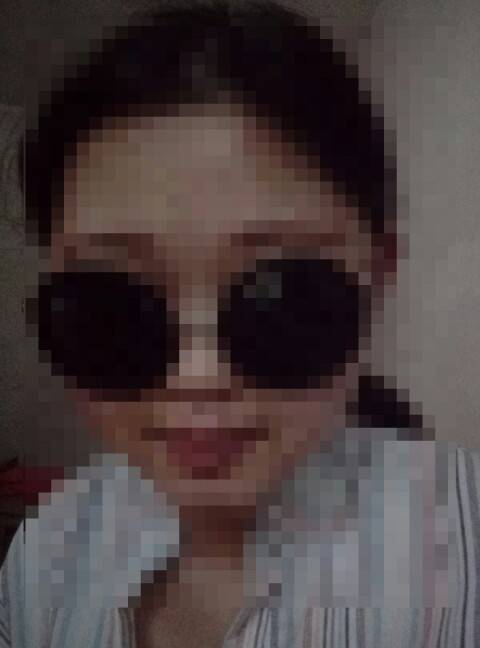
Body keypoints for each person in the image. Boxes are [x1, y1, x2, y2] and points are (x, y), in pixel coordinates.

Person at [1, 1, 479, 646]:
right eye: (114, 306)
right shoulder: (43, 552)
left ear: (378, 274)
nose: (197, 377)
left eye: (280, 296)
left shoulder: (468, 538)